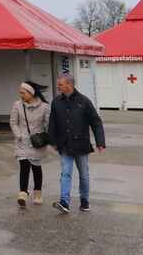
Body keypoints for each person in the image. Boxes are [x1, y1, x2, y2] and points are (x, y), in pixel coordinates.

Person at [47, 74, 105, 214]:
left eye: (60, 84)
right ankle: (64, 202)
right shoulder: (56, 102)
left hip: (81, 145)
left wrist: (100, 142)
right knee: (65, 173)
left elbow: (96, 122)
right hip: (65, 144)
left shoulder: (84, 101)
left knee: (84, 175)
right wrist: (53, 141)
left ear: (69, 86)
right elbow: (52, 123)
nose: (57, 86)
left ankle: (84, 201)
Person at [9, 81, 50, 208]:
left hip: (37, 143)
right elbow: (13, 122)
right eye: (20, 93)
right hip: (22, 142)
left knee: (36, 168)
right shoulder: (17, 105)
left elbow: (48, 125)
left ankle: (37, 193)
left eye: (23, 93)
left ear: (31, 93)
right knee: (24, 166)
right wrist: (19, 135)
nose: (21, 95)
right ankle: (23, 194)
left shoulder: (44, 107)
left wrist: (49, 138)